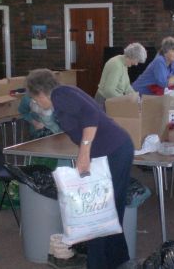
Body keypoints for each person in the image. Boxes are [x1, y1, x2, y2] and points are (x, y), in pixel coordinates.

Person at [25, 68, 134, 269]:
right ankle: (116, 258)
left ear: (40, 92)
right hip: (116, 148)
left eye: (35, 98)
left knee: (100, 211)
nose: (36, 103)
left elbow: (91, 115)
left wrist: (84, 152)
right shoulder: (64, 95)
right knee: (111, 208)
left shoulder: (61, 95)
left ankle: (99, 263)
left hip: (114, 150)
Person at [95, 42, 147, 109]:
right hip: (103, 101)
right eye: (137, 61)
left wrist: (136, 97)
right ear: (132, 56)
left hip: (111, 100)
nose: (136, 64)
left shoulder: (124, 64)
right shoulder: (116, 65)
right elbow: (108, 90)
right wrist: (124, 99)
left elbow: (126, 86)